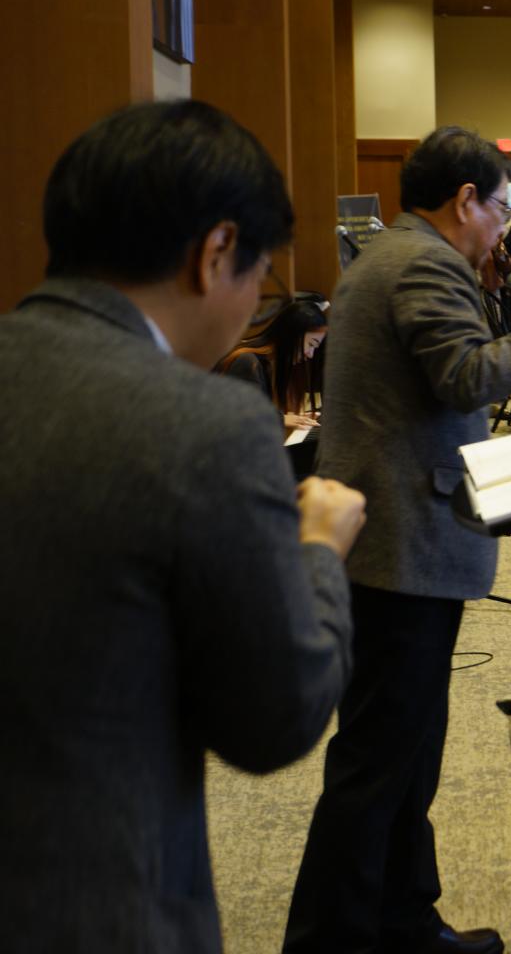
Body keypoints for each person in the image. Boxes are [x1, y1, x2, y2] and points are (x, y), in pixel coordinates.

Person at [0, 101, 365, 953]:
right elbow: (275, 718)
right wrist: (318, 550)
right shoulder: (205, 422)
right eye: (259, 276)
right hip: (98, 907)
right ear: (215, 253)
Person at [285, 127, 511, 954]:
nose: (504, 225)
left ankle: (402, 920)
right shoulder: (423, 263)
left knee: (404, 754)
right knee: (378, 760)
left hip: (394, 535)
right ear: (465, 200)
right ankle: (330, 940)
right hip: (400, 542)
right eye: (501, 207)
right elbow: (465, 377)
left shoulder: (394, 253)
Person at [219, 292, 329, 430]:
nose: (310, 354)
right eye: (311, 344)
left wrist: (286, 417)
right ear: (292, 335)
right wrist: (280, 418)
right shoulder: (247, 361)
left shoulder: (267, 363)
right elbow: (244, 419)